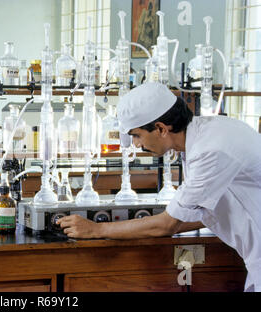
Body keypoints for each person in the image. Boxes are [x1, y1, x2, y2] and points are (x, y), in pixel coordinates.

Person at [57, 82, 261, 291]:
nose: (136, 144)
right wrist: (134, 227)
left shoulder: (209, 150)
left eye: (137, 135)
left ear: (161, 129)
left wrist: (96, 229)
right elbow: (197, 214)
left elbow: (167, 225)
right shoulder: (205, 134)